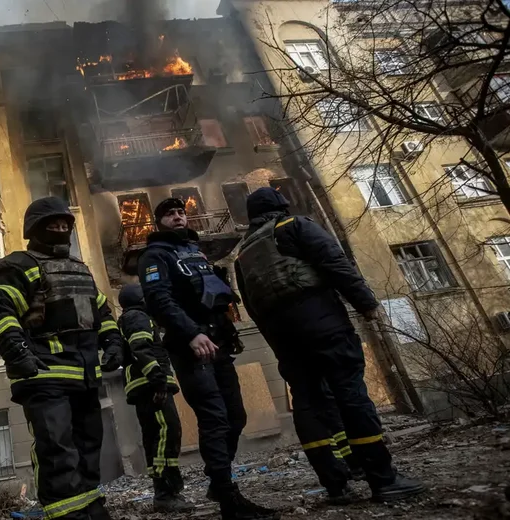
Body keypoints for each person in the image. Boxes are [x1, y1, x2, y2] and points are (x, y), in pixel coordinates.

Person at [234, 187, 425, 502]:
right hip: (321, 319)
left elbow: (252, 306)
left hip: (283, 334)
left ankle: (335, 485)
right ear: (281, 205)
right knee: (350, 395)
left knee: (308, 403)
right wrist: (366, 304)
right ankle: (382, 479)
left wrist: (278, 345)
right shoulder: (296, 226)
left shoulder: (243, 254)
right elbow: (335, 264)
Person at [0, 197, 124, 520]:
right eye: (53, 225)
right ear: (36, 230)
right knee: (57, 451)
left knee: (89, 447)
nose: (61, 229)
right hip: (45, 376)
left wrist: (114, 341)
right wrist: (19, 355)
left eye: (64, 225)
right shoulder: (20, 265)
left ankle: (90, 507)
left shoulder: (80, 270)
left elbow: (102, 312)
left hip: (85, 378)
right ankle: (67, 514)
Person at [138, 198, 278, 520]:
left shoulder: (196, 252)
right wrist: (190, 333)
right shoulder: (155, 255)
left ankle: (218, 480)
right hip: (190, 347)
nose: (178, 217)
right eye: (170, 214)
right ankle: (228, 497)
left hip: (217, 343)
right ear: (159, 222)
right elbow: (159, 300)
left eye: (181, 212)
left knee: (236, 416)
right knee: (214, 418)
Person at [117, 284, 192, 513]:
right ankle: (165, 493)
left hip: (147, 386)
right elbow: (141, 348)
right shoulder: (137, 317)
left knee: (159, 438)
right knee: (165, 437)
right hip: (151, 387)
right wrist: (158, 380)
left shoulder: (133, 317)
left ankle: (167, 491)